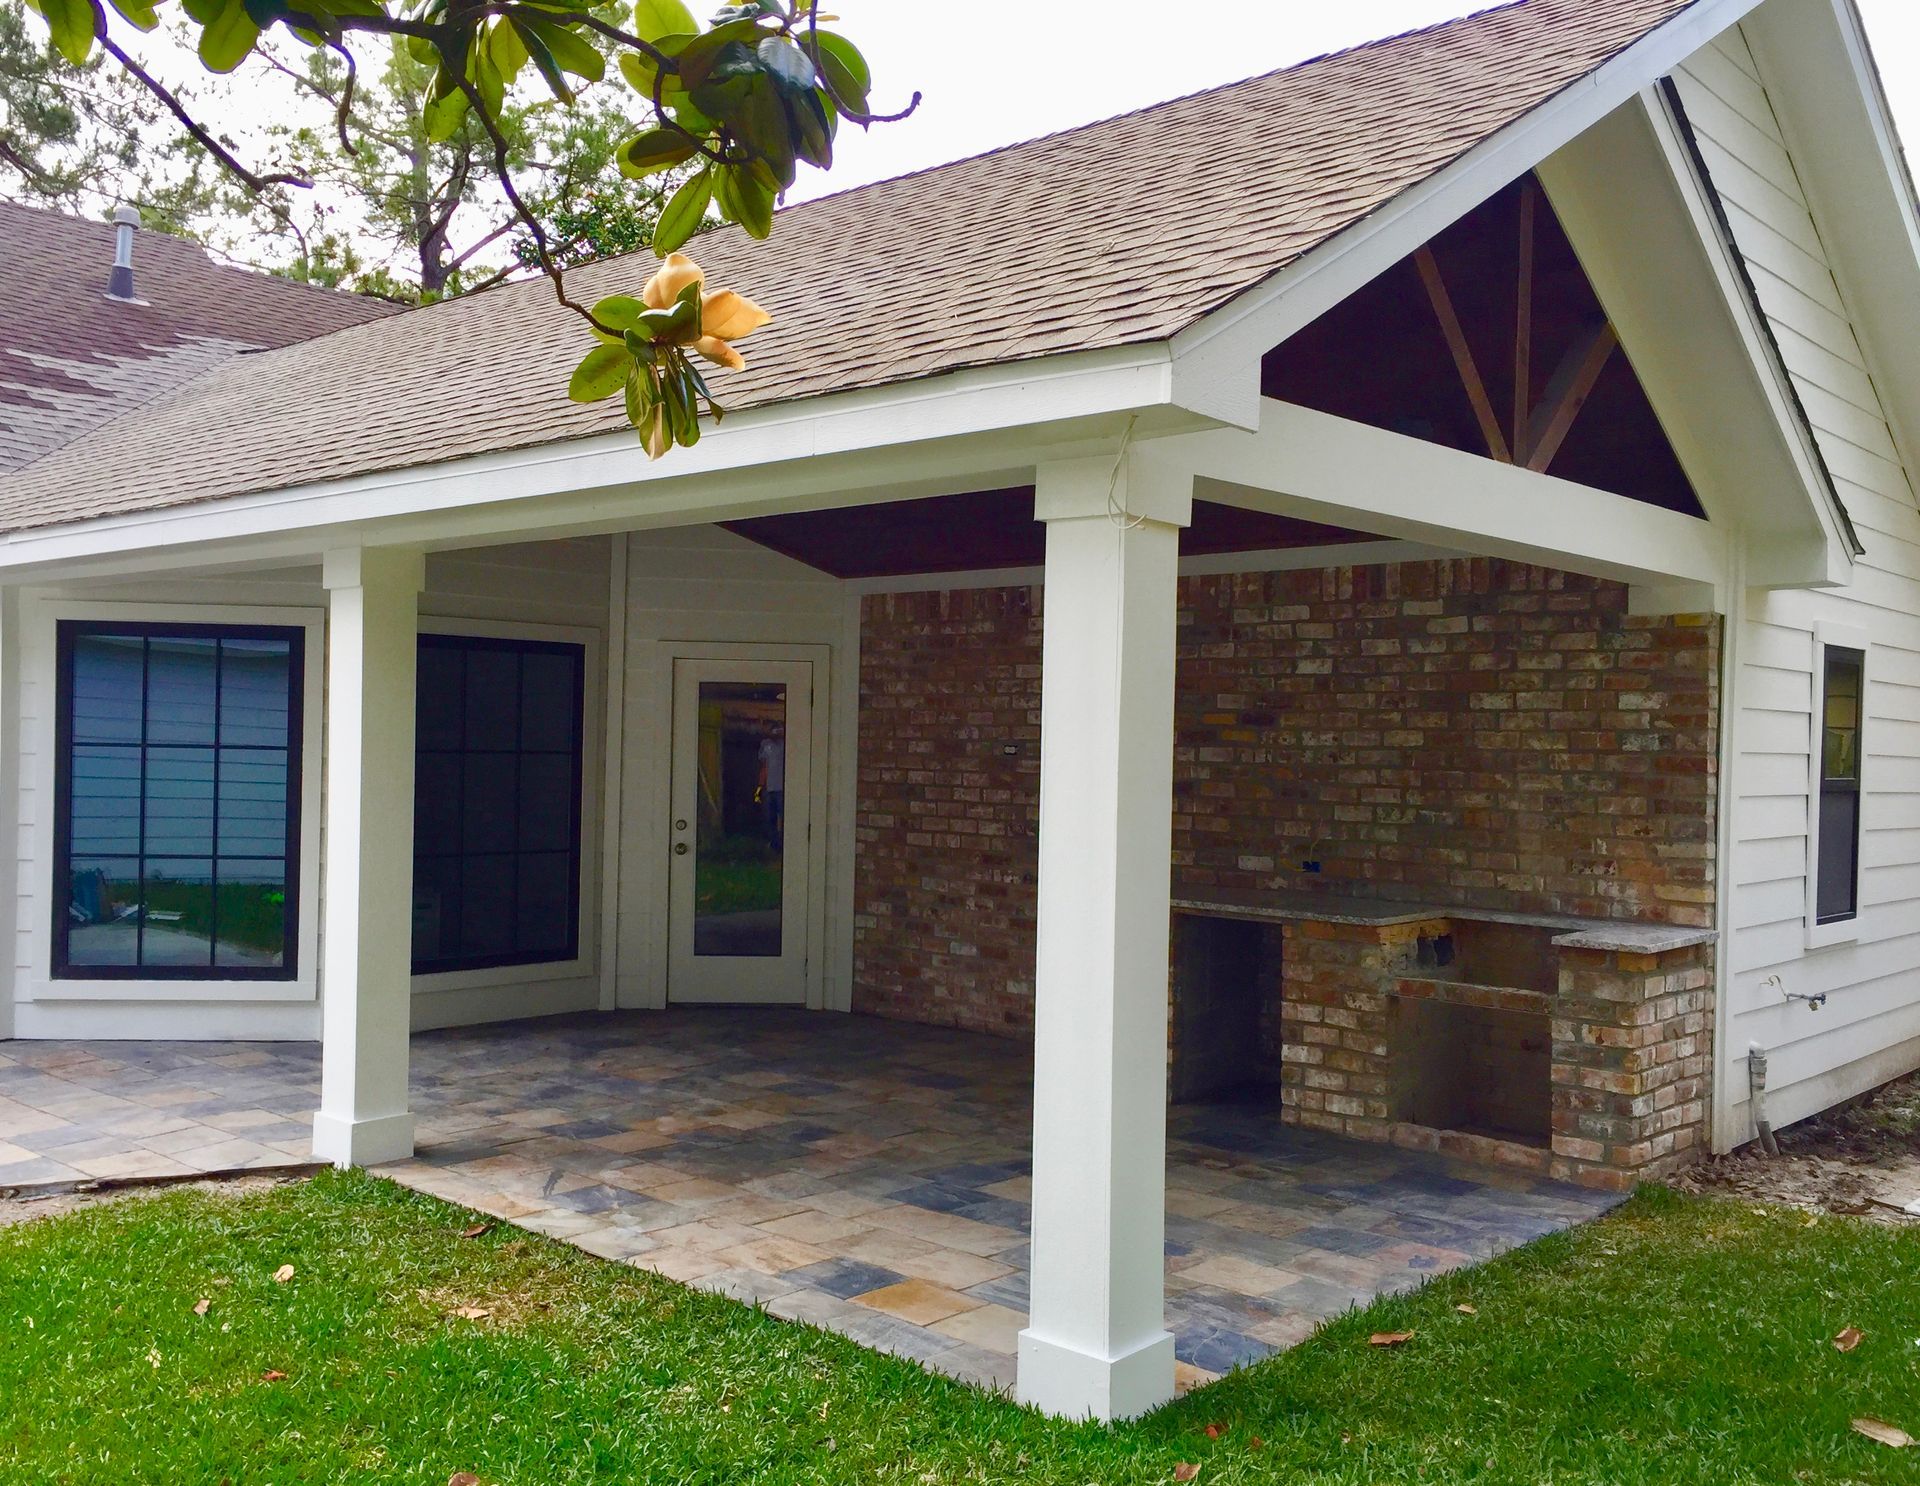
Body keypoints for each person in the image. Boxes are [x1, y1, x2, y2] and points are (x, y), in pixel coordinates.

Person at [757, 724, 786, 854]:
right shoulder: (765, 744)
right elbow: (764, 767)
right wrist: (760, 787)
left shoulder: (785, 745)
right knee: (770, 818)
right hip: (769, 788)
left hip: (782, 788)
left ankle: (785, 844)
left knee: (784, 816)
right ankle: (774, 844)